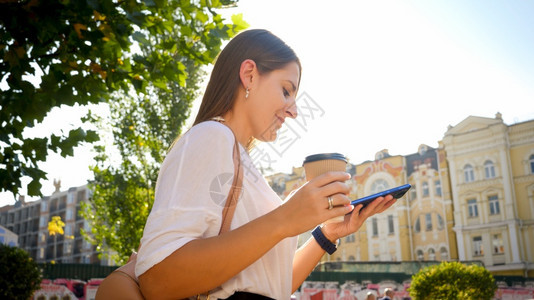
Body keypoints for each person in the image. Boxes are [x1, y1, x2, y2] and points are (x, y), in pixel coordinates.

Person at [134, 29, 397, 299]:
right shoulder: (212, 136)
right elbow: (159, 279)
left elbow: (270, 285)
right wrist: (285, 218)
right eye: (286, 91)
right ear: (249, 75)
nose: (294, 110)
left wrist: (326, 234)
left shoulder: (237, 157)